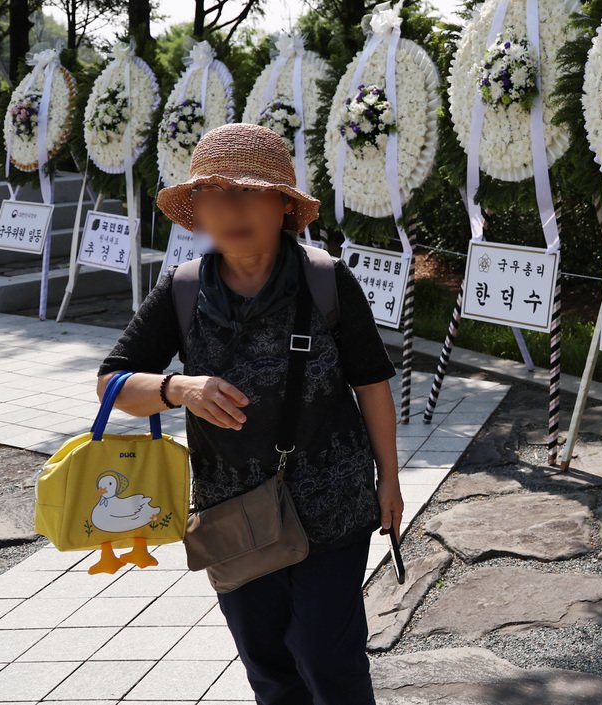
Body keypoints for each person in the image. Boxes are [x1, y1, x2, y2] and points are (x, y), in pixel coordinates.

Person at [96, 122, 400, 705]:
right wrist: (177, 388)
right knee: (268, 664)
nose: (230, 210)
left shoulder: (326, 280)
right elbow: (113, 383)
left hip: (332, 507)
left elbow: (373, 385)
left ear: (283, 206)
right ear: (198, 212)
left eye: (247, 192)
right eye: (213, 196)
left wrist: (388, 478)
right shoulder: (182, 290)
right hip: (232, 513)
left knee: (326, 656)